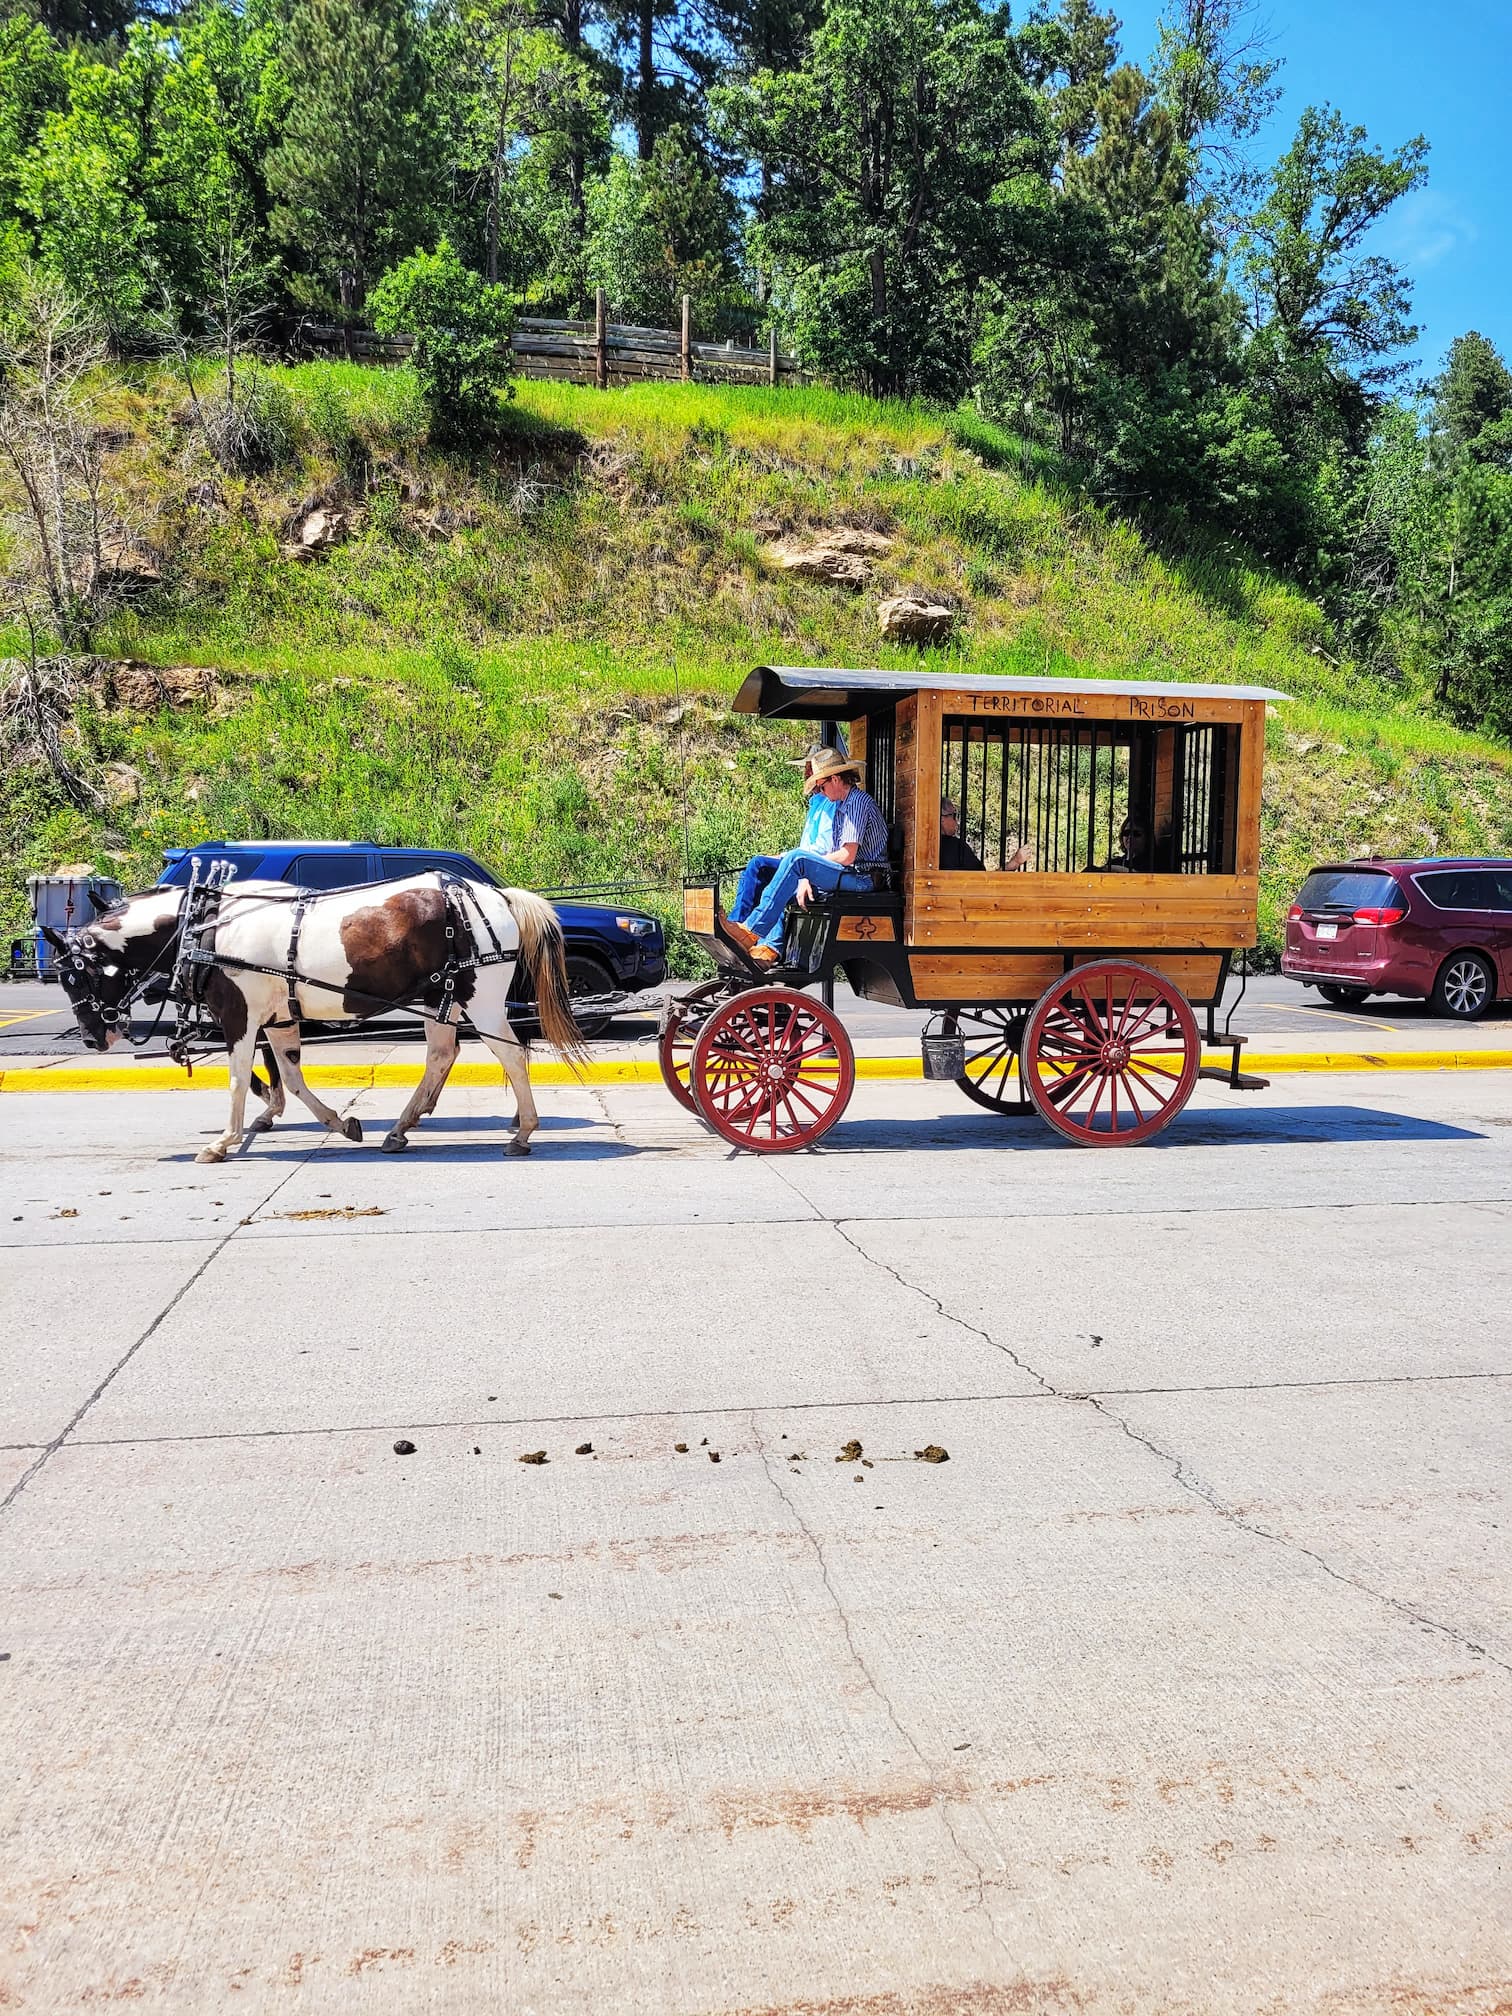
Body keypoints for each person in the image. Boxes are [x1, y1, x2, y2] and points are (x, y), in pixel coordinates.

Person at [727, 750, 889, 965]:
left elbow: (847, 855)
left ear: (836, 779)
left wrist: (808, 869)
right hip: (851, 873)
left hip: (863, 878)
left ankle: (751, 931)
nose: (820, 791)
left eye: (822, 785)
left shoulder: (857, 803)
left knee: (796, 859)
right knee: (784, 872)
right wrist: (807, 875)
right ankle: (762, 942)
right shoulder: (843, 804)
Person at [729, 745, 835, 923]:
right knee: (754, 867)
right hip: (801, 860)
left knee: (759, 865)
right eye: (807, 768)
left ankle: (741, 924)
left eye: (811, 768)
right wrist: (783, 855)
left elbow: (821, 847)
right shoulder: (816, 801)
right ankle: (740, 923)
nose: (806, 773)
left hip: (810, 864)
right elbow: (807, 845)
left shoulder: (830, 803)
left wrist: (794, 863)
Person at [939, 798, 1031, 871]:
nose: (957, 821)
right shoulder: (956, 847)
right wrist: (1015, 862)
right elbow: (983, 881)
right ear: (942, 818)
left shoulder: (928, 847)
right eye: (954, 815)